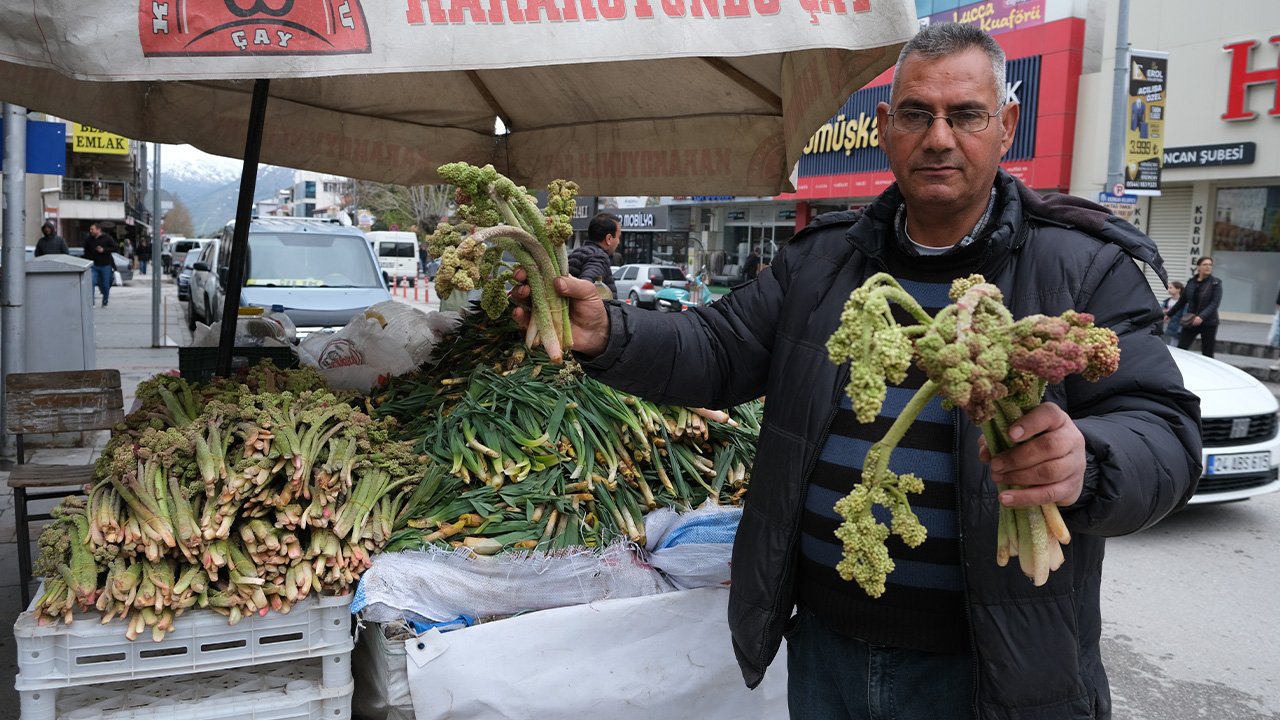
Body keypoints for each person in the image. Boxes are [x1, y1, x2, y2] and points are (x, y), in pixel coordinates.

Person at [512, 22, 1200, 720]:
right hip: (827, 653)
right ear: (884, 127)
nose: (938, 138)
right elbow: (715, 348)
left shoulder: (1083, 267)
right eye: (916, 114)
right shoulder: (823, 260)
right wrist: (610, 331)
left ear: (1007, 126)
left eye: (965, 115)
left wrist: (1088, 461)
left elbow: (1165, 431)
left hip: (991, 673)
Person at [1166, 256, 1222, 358]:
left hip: (1209, 322)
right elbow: (1182, 301)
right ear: (1198, 267)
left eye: (1210, 265)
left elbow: (1215, 303)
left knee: (1207, 353)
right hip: (1190, 320)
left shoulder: (1216, 283)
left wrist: (1201, 317)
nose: (1208, 267)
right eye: (1205, 264)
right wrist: (1169, 314)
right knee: (1181, 348)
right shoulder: (1191, 282)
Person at [567, 212, 622, 298]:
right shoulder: (598, 257)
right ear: (609, 239)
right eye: (618, 237)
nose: (619, 242)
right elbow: (586, 286)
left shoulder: (576, 253)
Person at [83, 221, 119, 307]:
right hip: (93, 266)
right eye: (90, 229)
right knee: (91, 283)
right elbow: (85, 252)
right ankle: (91, 303)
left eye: (92, 229)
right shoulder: (88, 240)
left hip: (105, 265)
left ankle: (105, 300)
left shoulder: (107, 238)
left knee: (105, 285)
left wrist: (104, 250)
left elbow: (115, 248)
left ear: (98, 230)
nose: (90, 231)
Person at [1162, 280, 1185, 346]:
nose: (1168, 289)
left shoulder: (1183, 302)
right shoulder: (1166, 301)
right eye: (1168, 288)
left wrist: (1180, 330)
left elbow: (1184, 315)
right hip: (1165, 327)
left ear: (1178, 289)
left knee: (1173, 347)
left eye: (1171, 288)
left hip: (1175, 329)